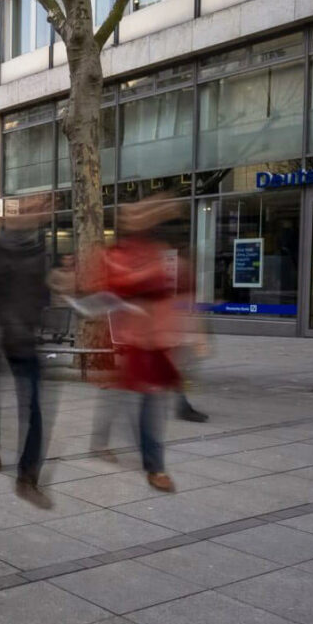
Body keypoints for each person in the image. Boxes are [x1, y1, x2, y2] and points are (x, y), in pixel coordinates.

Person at [92, 196, 188, 493]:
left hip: (156, 338)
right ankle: (154, 465)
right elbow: (115, 286)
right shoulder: (116, 254)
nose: (140, 220)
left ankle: (118, 448)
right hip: (131, 336)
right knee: (136, 396)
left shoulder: (156, 251)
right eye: (133, 215)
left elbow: (174, 289)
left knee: (139, 396)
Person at [0, 202, 51, 502]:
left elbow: (42, 291)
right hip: (7, 334)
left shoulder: (39, 251)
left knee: (34, 408)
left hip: (28, 337)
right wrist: (8, 321)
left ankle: (27, 478)